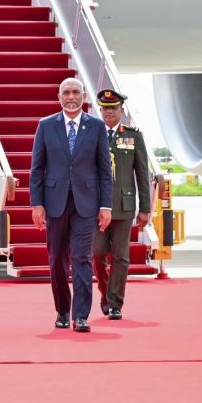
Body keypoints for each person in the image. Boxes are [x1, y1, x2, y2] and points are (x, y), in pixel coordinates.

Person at [30, 77, 112, 332]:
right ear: (59, 97)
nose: (71, 97)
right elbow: (37, 169)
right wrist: (36, 204)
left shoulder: (96, 127)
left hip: (86, 203)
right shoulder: (46, 126)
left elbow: (104, 170)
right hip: (54, 203)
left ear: (84, 96)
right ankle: (63, 311)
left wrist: (106, 206)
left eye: (76, 92)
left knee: (82, 257)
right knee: (56, 259)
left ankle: (81, 315)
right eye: (66, 92)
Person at [92, 88, 150, 320]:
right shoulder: (93, 134)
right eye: (105, 108)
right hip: (97, 206)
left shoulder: (133, 136)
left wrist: (145, 208)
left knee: (120, 256)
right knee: (97, 253)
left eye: (113, 108)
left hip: (124, 205)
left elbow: (142, 173)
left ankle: (115, 302)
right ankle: (106, 292)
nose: (109, 112)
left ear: (121, 110)